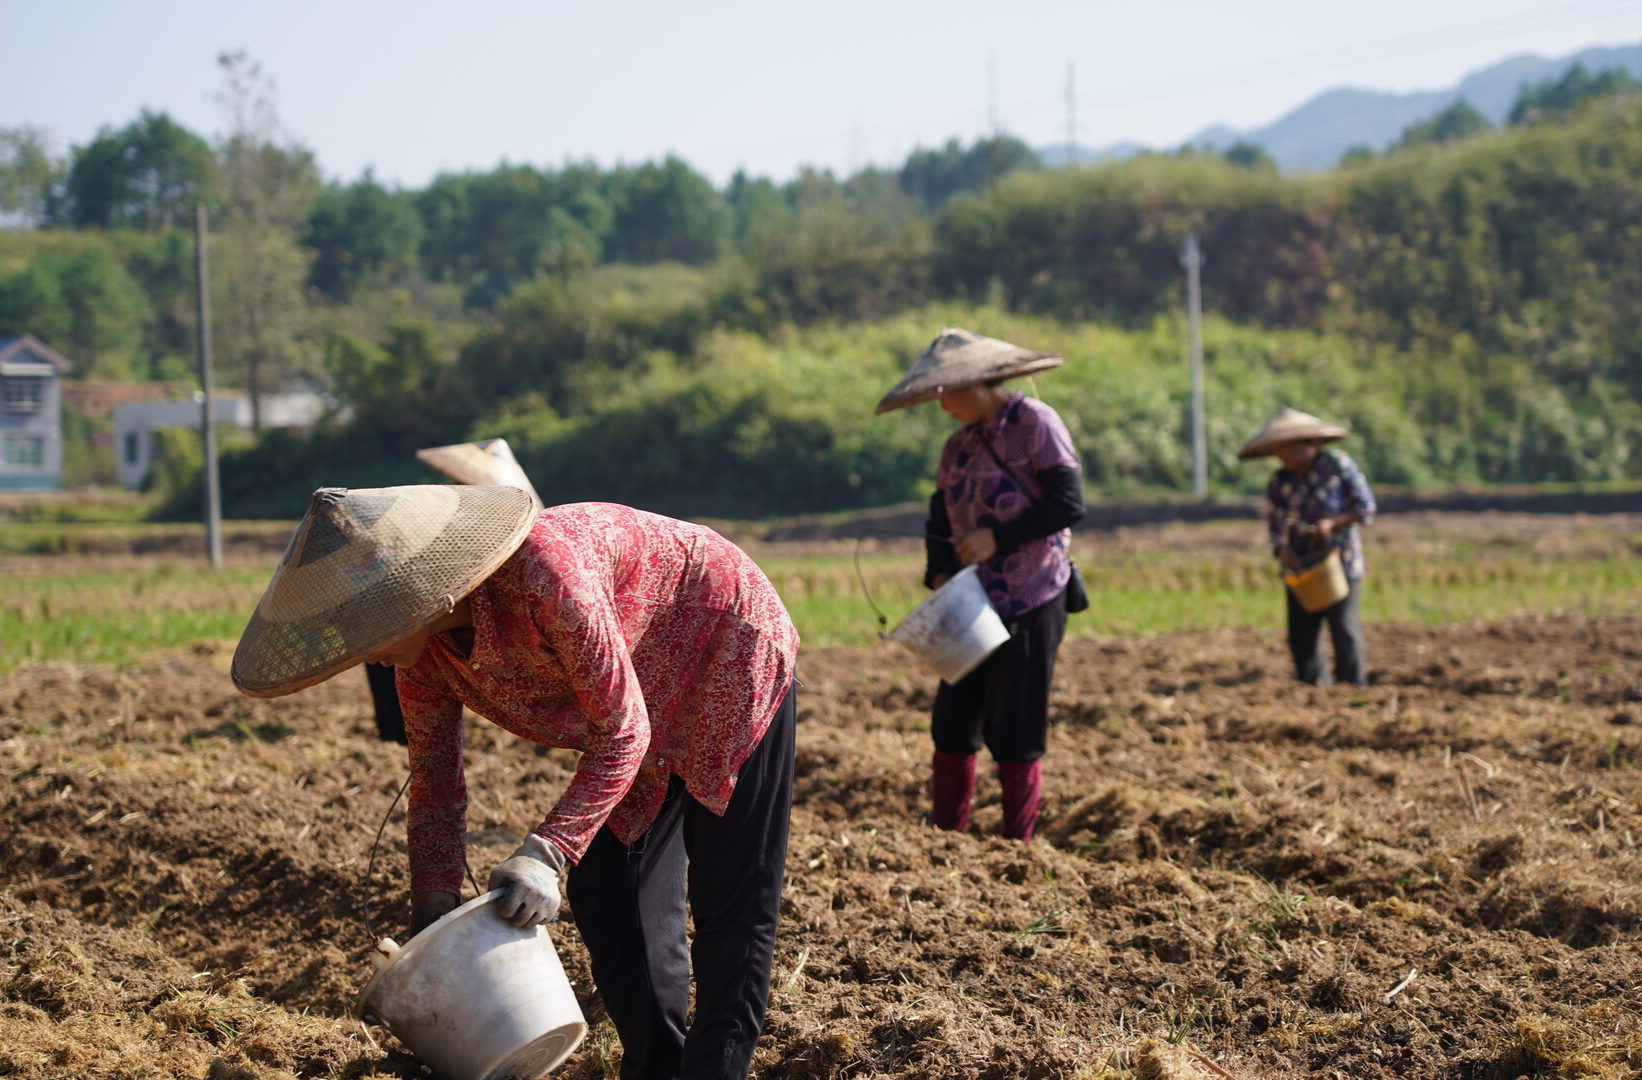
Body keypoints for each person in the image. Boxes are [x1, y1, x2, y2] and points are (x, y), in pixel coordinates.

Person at [231, 486, 799, 1080]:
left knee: (728, 896)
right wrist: (434, 911)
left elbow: (625, 733)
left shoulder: (542, 575)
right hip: (631, 695)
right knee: (608, 890)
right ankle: (657, 1068)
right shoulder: (421, 663)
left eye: (365, 627)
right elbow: (435, 785)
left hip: (722, 641)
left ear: (417, 600)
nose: (362, 651)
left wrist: (547, 852)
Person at [875, 328, 1085, 841]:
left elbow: (1068, 503)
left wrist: (998, 537)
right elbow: (938, 520)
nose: (943, 403)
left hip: (1031, 595)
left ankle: (1018, 843)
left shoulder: (1036, 424)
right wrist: (941, 573)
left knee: (1015, 726)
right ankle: (947, 836)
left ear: (983, 382)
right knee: (952, 722)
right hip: (969, 600)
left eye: (950, 391)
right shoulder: (957, 446)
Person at [1239, 406, 1377, 687]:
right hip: (1300, 566)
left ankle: (1353, 690)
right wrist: (1283, 550)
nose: (1281, 455)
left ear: (1304, 443)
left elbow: (1365, 508)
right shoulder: (1281, 481)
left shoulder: (1336, 465)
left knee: (1344, 629)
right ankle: (1313, 690)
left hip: (1339, 561)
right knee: (1301, 635)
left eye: (1285, 448)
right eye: (1276, 449)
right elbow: (1276, 524)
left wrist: (1331, 524)